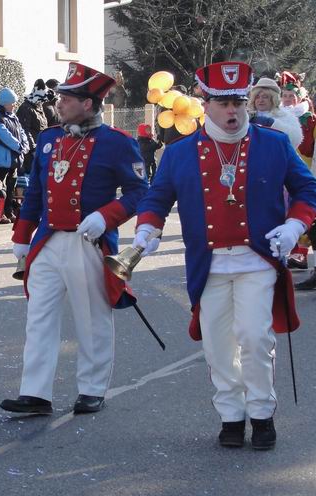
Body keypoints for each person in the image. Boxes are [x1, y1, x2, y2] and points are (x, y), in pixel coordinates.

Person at [134, 61, 316, 450]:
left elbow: (307, 190)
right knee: (218, 346)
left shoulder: (275, 143)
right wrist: (147, 227)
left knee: (254, 336)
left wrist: (295, 225)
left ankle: (262, 413)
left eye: (238, 102)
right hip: (209, 265)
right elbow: (157, 197)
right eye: (222, 103)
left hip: (258, 261)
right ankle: (231, 415)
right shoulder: (180, 153)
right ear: (206, 103)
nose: (232, 111)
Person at [0, 62, 148, 416]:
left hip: (89, 243)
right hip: (49, 241)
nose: (60, 102)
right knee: (39, 318)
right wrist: (22, 235)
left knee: (91, 318)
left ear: (88, 103)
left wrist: (105, 217)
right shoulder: (49, 139)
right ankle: (35, 393)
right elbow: (35, 190)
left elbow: (140, 192)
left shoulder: (117, 143)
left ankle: (92, 387)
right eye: (61, 96)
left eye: (67, 97)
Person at [277, 72, 316, 271]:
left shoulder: (309, 118)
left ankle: (300, 254)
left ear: (299, 97)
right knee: (285, 209)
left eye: (291, 96)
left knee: (303, 207)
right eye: (284, 96)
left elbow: (310, 146)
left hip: (305, 166)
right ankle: (290, 250)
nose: (288, 99)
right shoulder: (277, 116)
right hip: (282, 169)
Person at [0, 87, 29, 223]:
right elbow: (4, 135)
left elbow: (21, 132)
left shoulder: (12, 115)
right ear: (5, 103)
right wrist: (20, 147)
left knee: (10, 188)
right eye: (12, 103)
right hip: (0, 160)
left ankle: (8, 212)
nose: (14, 105)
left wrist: (25, 144)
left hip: (12, 160)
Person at [248, 77, 302, 149]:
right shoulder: (246, 115)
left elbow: (295, 139)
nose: (260, 100)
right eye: (257, 97)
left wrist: (273, 124)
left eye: (265, 97)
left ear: (273, 99)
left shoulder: (285, 115)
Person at [16, 79, 49, 175]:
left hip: (41, 148)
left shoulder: (39, 106)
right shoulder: (26, 108)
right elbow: (24, 130)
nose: (43, 102)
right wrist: (33, 149)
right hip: (31, 152)